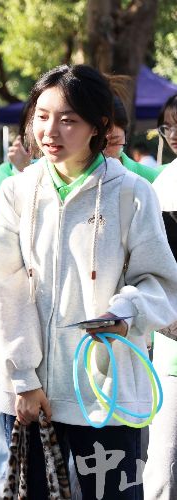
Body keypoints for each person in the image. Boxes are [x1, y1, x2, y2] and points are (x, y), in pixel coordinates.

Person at [0, 65, 177, 499]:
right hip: (31, 397)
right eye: (42, 116)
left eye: (68, 119)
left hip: (106, 395)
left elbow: (161, 281)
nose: (50, 131)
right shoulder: (17, 192)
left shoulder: (132, 193)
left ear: (98, 126)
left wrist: (126, 313)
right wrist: (22, 378)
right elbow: (3, 290)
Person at [144, 92, 177, 500]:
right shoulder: (163, 185)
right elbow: (151, 271)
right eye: (168, 126)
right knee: (163, 472)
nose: (173, 134)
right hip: (172, 358)